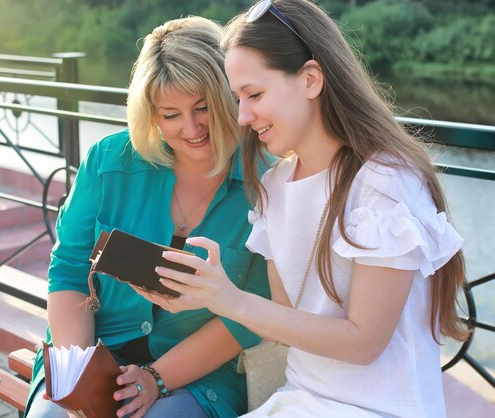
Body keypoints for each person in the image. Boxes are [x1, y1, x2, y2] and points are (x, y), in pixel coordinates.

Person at [148, 1, 468, 417]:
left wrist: (233, 301)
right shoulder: (275, 185)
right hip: (300, 401)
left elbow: (364, 342)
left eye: (255, 94)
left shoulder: (385, 183)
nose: (243, 116)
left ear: (311, 79)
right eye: (237, 98)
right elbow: (286, 323)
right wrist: (206, 296)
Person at [25, 16, 270, 418]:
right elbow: (69, 268)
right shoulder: (108, 160)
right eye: (170, 114)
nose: (190, 129)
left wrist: (155, 379)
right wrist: (79, 377)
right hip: (96, 348)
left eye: (203, 108)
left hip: (198, 373)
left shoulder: (266, 184)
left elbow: (252, 313)